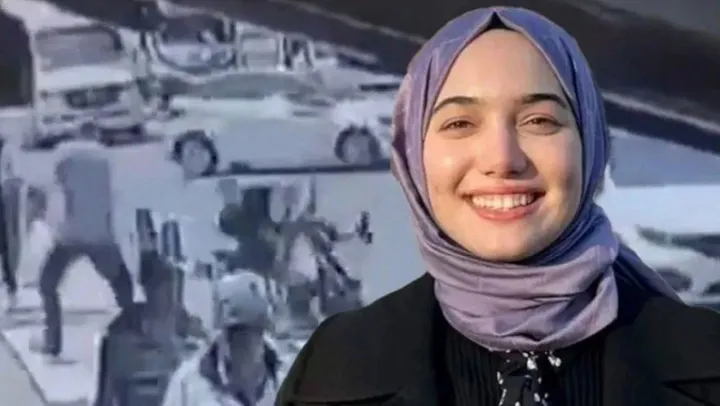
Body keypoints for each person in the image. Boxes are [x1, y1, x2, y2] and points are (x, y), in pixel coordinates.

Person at [276, 7, 720, 406]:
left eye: (539, 120)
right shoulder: (333, 372)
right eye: (460, 123)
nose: (502, 158)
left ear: (590, 143)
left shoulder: (705, 360)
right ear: (412, 154)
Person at [33, 122, 134, 357]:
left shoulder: (64, 153)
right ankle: (134, 332)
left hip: (70, 235)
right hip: (101, 236)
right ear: (96, 135)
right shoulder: (107, 157)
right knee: (123, 287)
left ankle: (52, 342)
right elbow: (118, 195)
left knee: (48, 284)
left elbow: (53, 187)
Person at [90, 225, 207, 406]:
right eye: (162, 285)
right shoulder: (122, 333)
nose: (170, 294)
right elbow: (105, 396)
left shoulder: (185, 325)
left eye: (174, 283)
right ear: (147, 288)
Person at [161, 271, 280, 406]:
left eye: (256, 331)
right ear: (222, 334)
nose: (248, 342)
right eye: (237, 333)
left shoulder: (287, 377)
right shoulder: (187, 383)